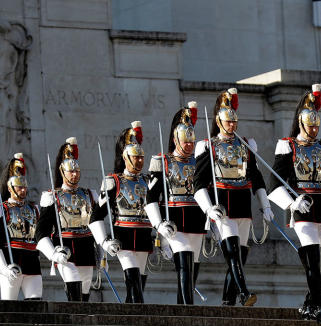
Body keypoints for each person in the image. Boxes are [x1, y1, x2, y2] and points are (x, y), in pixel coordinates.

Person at [193, 90, 273, 306]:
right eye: (228, 122)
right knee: (232, 251)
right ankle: (244, 292)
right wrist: (208, 209)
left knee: (239, 258)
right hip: (222, 206)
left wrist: (264, 205)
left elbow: (256, 178)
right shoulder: (208, 146)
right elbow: (198, 183)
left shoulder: (247, 145)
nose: (232, 126)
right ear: (219, 122)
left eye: (234, 122)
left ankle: (228, 301)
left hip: (243, 205)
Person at [268, 83, 321, 322]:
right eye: (310, 125)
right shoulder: (288, 146)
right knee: (313, 257)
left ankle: (311, 301)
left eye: (317, 125)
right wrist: (292, 204)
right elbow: (274, 185)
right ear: (301, 122)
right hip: (302, 207)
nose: (314, 130)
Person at [147, 103, 207, 304]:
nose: (189, 145)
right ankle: (189, 309)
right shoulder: (163, 162)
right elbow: (150, 197)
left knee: (193, 267)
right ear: (175, 139)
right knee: (184, 259)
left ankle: (183, 306)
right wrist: (158, 224)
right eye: (185, 141)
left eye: (191, 140)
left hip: (197, 220)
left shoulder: (200, 161)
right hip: (174, 221)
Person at [88, 122, 153, 303]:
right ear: (125, 157)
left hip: (144, 237)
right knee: (134, 285)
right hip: (123, 237)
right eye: (135, 157)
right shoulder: (113, 181)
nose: (140, 161)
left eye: (141, 157)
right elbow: (96, 216)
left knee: (137, 287)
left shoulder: (148, 181)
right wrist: (104, 241)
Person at [36, 138, 102, 302]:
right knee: (74, 286)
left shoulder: (89, 195)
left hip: (86, 248)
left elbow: (95, 225)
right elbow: (41, 231)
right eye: (70, 171)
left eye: (77, 171)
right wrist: (52, 253)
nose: (74, 174)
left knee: (85, 292)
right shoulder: (53, 197)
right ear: (62, 172)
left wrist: (101, 252)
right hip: (65, 249)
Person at [0, 153, 43, 300]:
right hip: (11, 261)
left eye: (24, 187)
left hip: (32, 262)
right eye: (19, 187)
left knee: (35, 301)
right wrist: (4, 268)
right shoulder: (0, 209)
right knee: (9, 304)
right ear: (10, 187)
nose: (23, 190)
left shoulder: (34, 209)